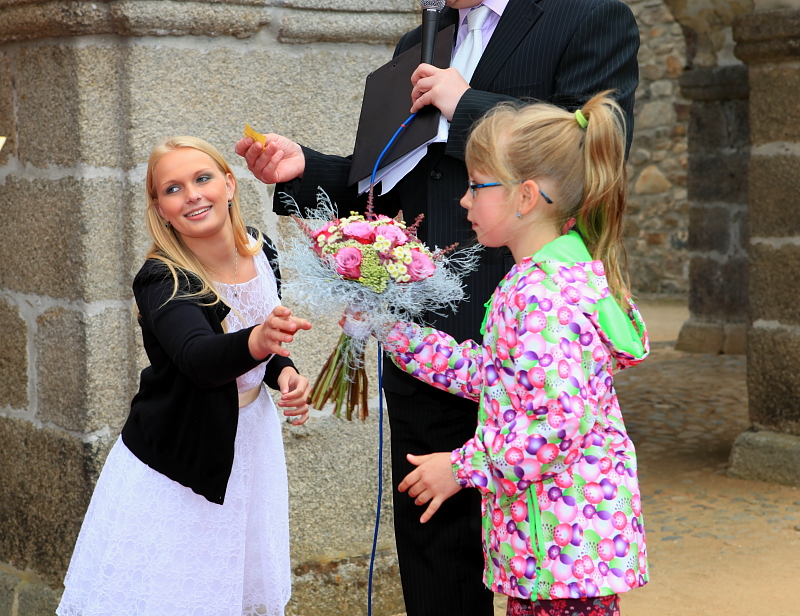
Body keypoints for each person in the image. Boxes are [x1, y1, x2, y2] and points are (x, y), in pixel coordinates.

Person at [236, 2, 639, 614]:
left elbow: (589, 158)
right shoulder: (420, 39)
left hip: (517, 321)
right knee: (436, 558)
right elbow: (397, 181)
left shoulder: (587, 17)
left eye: (481, 187)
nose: (470, 197)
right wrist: (305, 171)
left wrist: (467, 104)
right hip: (431, 332)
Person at [381, 93, 649, 615]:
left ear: (525, 196)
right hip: (562, 546)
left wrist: (461, 468)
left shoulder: (540, 295)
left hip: (561, 547)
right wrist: (395, 335)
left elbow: (557, 422)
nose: (464, 200)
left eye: (476, 185)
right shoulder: (549, 278)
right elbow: (497, 377)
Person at [57, 136, 312, 616]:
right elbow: (198, 357)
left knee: (231, 585)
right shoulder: (162, 278)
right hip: (180, 455)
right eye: (173, 189)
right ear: (161, 209)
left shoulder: (263, 251)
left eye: (202, 178)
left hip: (250, 441)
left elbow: (256, 340)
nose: (192, 195)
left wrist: (284, 372)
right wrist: (261, 339)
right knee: (174, 594)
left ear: (229, 184)